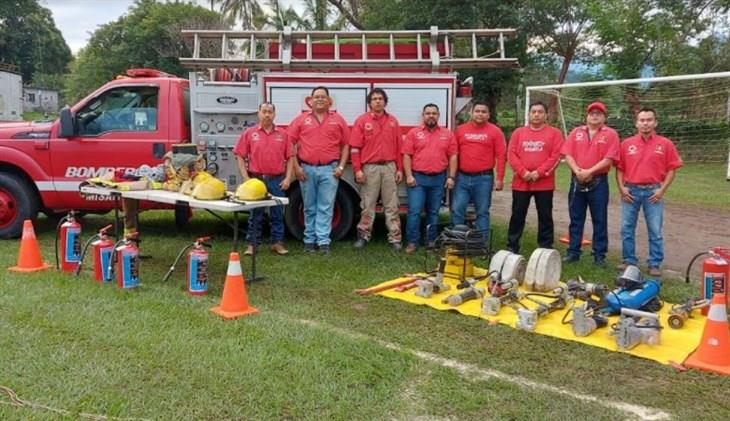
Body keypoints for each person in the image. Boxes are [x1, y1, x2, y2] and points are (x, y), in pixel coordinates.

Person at [616, 107, 682, 277]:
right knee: (626, 228)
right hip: (630, 191)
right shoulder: (626, 144)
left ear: (655, 122)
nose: (645, 123)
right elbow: (619, 168)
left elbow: (672, 169)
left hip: (653, 192)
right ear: (636, 123)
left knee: (655, 229)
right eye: (642, 120)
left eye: (649, 120)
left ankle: (654, 263)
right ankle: (629, 261)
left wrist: (662, 190)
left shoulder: (665, 144)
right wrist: (622, 188)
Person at [288, 86, 350, 254]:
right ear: (310, 100)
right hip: (307, 169)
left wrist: (341, 167)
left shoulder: (338, 120)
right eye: (317, 97)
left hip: (330, 170)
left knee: (326, 206)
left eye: (323, 97)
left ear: (329, 101)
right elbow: (290, 143)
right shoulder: (301, 120)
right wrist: (296, 167)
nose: (320, 99)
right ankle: (309, 241)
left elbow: (346, 145)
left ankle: (323, 242)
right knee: (309, 207)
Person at [561, 101, 620, 267]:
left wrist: (589, 172)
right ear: (587, 116)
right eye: (592, 113)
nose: (595, 115)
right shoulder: (576, 132)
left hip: (599, 181)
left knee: (599, 218)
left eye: (598, 113)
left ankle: (599, 255)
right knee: (576, 217)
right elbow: (567, 154)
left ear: (604, 116)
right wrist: (578, 171)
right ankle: (573, 252)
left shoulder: (611, 134)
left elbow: (609, 158)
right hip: (576, 179)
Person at [234, 102, 294, 256]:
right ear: (258, 113)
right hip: (256, 180)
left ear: (275, 114)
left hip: (277, 179)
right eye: (264, 111)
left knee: (277, 213)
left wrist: (288, 178)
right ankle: (252, 244)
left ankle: (277, 243)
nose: (267, 114)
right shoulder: (249, 133)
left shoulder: (283, 134)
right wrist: (246, 178)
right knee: (255, 214)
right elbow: (240, 156)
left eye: (270, 112)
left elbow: (291, 158)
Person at [350, 88, 403, 251]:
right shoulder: (361, 121)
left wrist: (399, 169)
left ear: (385, 102)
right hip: (370, 168)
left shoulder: (393, 121)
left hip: (389, 167)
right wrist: (358, 169)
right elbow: (354, 148)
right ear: (369, 103)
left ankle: (395, 238)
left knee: (392, 204)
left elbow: (399, 148)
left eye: (380, 98)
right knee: (368, 204)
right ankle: (363, 236)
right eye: (374, 99)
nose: (378, 101)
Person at [506, 101, 563, 254]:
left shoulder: (555, 133)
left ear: (546, 115)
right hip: (521, 182)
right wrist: (523, 172)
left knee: (545, 215)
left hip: (544, 183)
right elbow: (511, 154)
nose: (536, 114)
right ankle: (512, 245)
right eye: (533, 112)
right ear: (529, 114)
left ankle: (545, 246)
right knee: (517, 214)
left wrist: (539, 172)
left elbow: (556, 156)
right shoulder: (518, 133)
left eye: (540, 112)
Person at [402, 103, 457, 254]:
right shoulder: (414, 133)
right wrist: (409, 176)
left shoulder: (448, 134)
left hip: (438, 178)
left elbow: (453, 156)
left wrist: (451, 177)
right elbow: (406, 155)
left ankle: (430, 241)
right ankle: (412, 242)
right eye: (428, 113)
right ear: (423, 115)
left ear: (438, 116)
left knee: (433, 212)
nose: (431, 116)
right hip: (418, 178)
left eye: (434, 113)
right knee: (414, 211)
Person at [451, 101, 506, 244]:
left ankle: (481, 244)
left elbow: (501, 156)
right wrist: (451, 175)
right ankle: (458, 242)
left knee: (482, 212)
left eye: (483, 112)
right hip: (462, 177)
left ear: (489, 115)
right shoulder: (460, 130)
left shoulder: (495, 131)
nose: (480, 114)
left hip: (484, 178)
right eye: (477, 111)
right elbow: (453, 154)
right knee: (457, 210)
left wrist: (499, 178)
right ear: (471, 113)